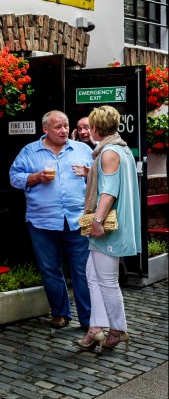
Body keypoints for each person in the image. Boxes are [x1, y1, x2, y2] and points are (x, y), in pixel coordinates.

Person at [9, 110, 94, 330]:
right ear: (45, 129)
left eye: (66, 126)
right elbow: (14, 177)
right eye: (58, 127)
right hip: (42, 221)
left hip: (78, 219)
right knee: (50, 269)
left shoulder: (83, 150)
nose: (64, 130)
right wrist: (36, 177)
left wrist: (89, 173)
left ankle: (88, 318)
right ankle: (60, 313)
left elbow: (102, 176)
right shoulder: (29, 152)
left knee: (83, 270)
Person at [75, 106, 142, 353]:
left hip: (108, 227)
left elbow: (109, 191)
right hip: (110, 225)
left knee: (106, 280)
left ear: (95, 128)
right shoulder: (120, 148)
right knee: (92, 276)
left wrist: (97, 221)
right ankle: (96, 328)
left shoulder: (108, 152)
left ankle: (117, 328)